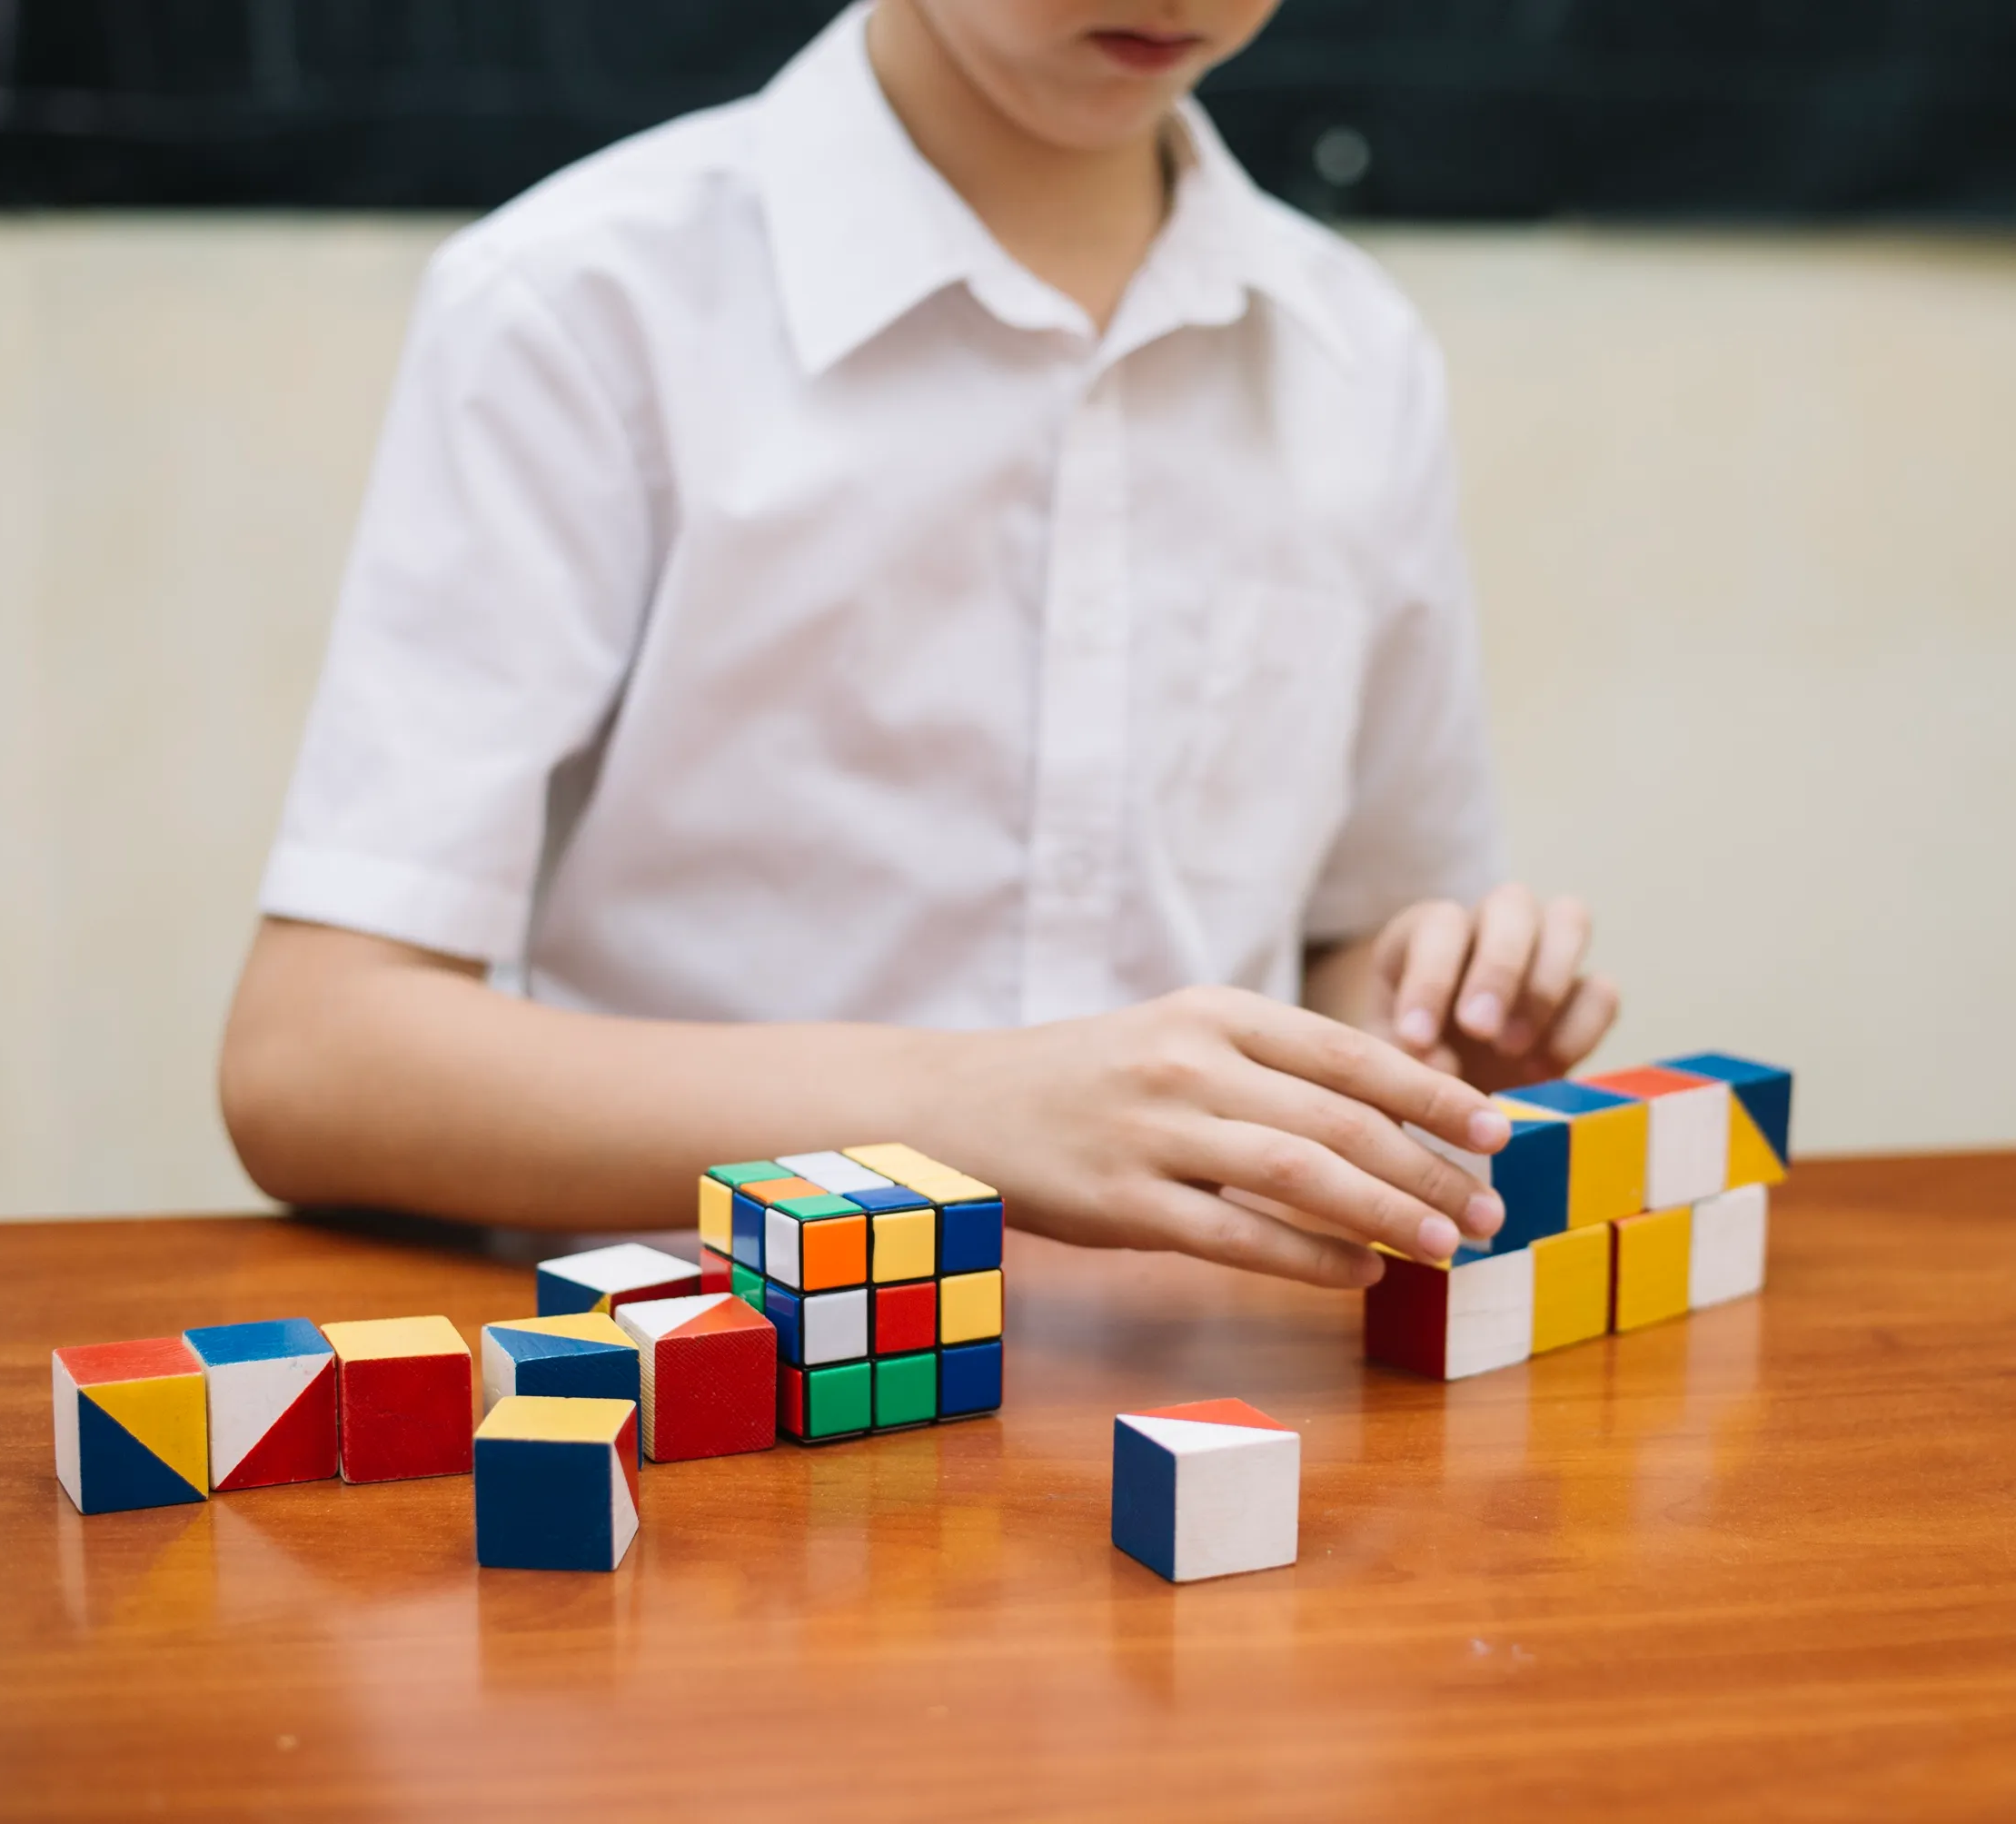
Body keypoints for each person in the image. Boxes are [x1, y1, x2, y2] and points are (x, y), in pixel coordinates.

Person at [217, 0, 1618, 1290]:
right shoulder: (580, 302)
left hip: (1188, 1399)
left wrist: (1419, 1038)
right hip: (701, 1397)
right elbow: (314, 1061)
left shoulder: (1355, 356)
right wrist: (961, 1112)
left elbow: (1359, 930)